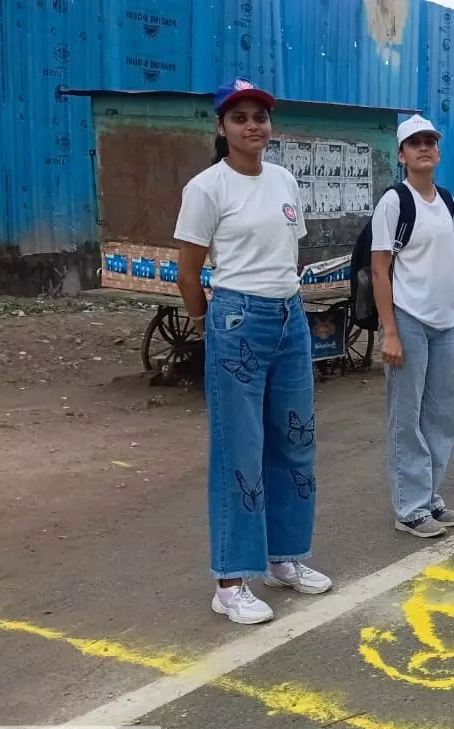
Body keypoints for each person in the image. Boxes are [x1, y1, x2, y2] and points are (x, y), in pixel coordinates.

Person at [173, 78, 332, 625]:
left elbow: (287, 251)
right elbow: (188, 271)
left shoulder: (285, 180)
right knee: (239, 449)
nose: (251, 126)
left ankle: (284, 558)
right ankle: (231, 580)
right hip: (238, 318)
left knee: (295, 440)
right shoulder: (207, 188)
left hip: (290, 315)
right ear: (222, 127)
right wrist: (205, 321)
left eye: (259, 116)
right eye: (239, 117)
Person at [371, 115, 454, 539]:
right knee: (406, 417)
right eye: (415, 143)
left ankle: (430, 498)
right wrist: (389, 330)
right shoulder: (395, 201)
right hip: (408, 319)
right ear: (402, 155)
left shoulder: (447, 200)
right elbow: (379, 270)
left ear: (438, 151)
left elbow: (453, 264)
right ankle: (409, 508)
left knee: (440, 416)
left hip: (445, 321)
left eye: (430, 141)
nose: (424, 148)